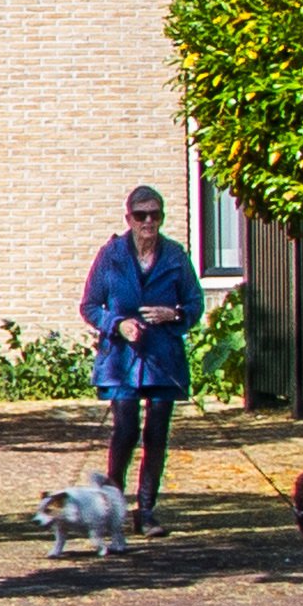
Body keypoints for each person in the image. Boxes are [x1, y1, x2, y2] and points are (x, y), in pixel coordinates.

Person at [80, 184, 202, 515]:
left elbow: (195, 304)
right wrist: (117, 325)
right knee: (126, 430)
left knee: (157, 433)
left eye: (155, 215)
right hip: (121, 361)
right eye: (141, 215)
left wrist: (173, 314)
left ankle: (146, 511)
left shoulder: (175, 256)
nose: (148, 221)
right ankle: (113, 505)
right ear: (129, 218)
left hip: (163, 359)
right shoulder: (111, 256)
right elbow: (90, 306)